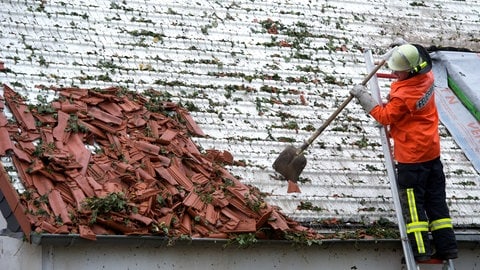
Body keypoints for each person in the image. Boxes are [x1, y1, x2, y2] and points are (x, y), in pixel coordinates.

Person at [349, 43, 458, 261]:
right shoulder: (427, 79)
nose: (393, 74)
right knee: (436, 203)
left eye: (398, 70)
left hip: (412, 158)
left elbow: (384, 116)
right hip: (431, 153)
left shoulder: (403, 97)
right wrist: (400, 52)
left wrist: (363, 97)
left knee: (414, 208)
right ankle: (447, 248)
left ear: (411, 70)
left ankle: (420, 251)